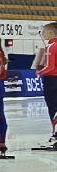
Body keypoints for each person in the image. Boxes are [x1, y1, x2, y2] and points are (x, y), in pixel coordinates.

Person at [38, 22, 57, 151]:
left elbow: (50, 67)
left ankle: (55, 136)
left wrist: (39, 72)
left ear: (51, 32)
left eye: (44, 31)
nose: (42, 34)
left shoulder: (51, 46)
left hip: (52, 80)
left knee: (53, 108)